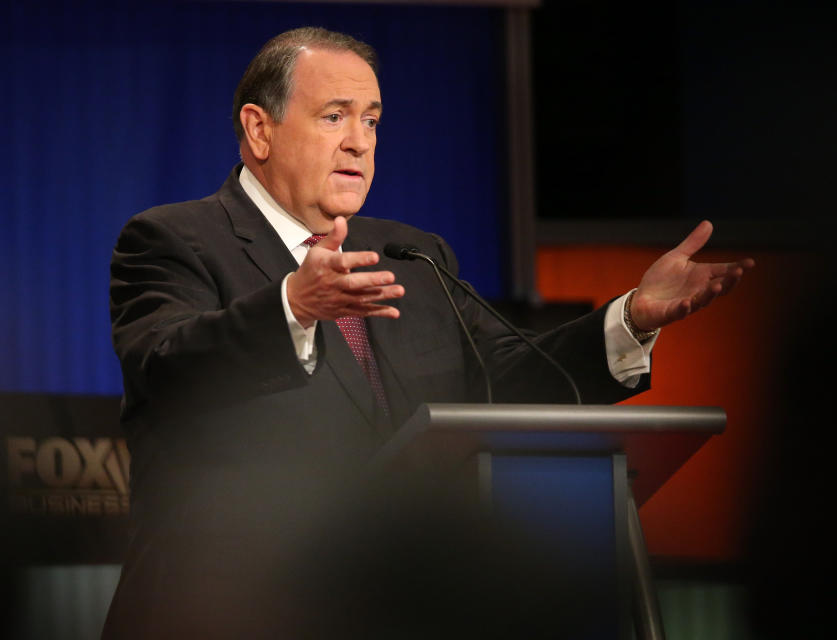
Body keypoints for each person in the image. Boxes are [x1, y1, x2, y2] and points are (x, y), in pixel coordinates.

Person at [103, 27, 753, 638]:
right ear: (258, 129)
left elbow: (509, 378)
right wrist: (292, 308)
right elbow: (169, 368)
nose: (359, 141)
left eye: (372, 120)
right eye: (334, 116)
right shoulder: (173, 240)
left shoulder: (411, 254)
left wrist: (632, 316)